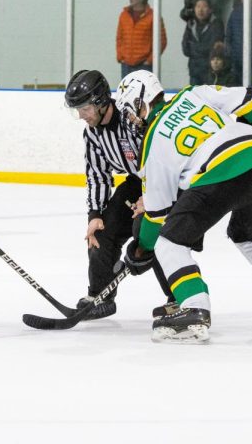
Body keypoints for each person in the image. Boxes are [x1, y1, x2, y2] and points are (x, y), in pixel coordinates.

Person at [114, 70, 252, 343]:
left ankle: (194, 308)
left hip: (221, 173)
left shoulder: (152, 145)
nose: (132, 121)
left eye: (130, 112)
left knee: (168, 244)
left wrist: (140, 251)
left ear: (141, 102)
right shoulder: (192, 93)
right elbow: (250, 98)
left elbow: (156, 218)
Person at [63, 69, 174, 320]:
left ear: (102, 101)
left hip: (164, 180)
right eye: (77, 110)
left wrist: (154, 196)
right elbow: (98, 175)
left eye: (85, 108)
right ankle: (100, 296)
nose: (82, 115)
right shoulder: (92, 134)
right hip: (137, 182)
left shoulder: (132, 117)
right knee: (102, 232)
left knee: (151, 231)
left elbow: (162, 154)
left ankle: (178, 298)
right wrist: (95, 214)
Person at [116, 0, 167, 77]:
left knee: (144, 91)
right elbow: (119, 38)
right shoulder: (124, 15)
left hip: (144, 65)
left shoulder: (154, 17)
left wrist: (149, 60)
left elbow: (161, 41)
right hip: (126, 65)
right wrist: (120, 57)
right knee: (127, 91)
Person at [181, 0, 225, 85]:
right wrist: (198, 49)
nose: (200, 10)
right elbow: (185, 48)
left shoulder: (216, 24)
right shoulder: (191, 24)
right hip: (194, 70)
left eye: (204, 7)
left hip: (210, 70)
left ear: (210, 9)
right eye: (198, 7)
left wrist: (195, 48)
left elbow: (214, 47)